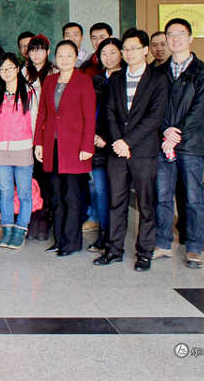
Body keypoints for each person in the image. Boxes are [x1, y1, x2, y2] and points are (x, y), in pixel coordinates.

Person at [94, 29, 167, 272]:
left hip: (143, 151)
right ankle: (114, 249)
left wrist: (128, 142)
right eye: (125, 49)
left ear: (145, 50)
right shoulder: (116, 78)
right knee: (117, 201)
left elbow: (154, 117)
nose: (128, 53)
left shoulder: (158, 79)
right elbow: (109, 112)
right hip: (117, 151)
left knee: (146, 204)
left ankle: (144, 253)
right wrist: (118, 141)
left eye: (134, 48)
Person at [155, 18, 204, 269]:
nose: (175, 38)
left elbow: (200, 110)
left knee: (193, 197)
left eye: (180, 33)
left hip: (191, 144)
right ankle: (162, 243)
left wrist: (176, 134)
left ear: (190, 38)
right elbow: (153, 108)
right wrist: (165, 130)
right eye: (171, 34)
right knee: (162, 195)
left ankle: (194, 247)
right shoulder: (158, 73)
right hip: (163, 143)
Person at [33, 40, 96, 257]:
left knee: (72, 196)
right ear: (55, 57)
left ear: (76, 57)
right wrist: (39, 142)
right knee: (56, 196)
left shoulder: (84, 81)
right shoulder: (50, 81)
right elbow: (43, 113)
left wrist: (87, 145)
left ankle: (72, 242)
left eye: (69, 55)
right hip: (52, 146)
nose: (64, 59)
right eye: (60, 55)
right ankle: (59, 240)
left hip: (75, 148)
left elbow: (90, 116)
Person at [0, 53, 38, 250]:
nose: (6, 72)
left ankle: (21, 229)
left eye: (10, 68)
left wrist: (35, 145)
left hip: (23, 148)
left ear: (17, 69)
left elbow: (35, 120)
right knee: (5, 192)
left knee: (24, 192)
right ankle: (8, 229)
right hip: (0, 150)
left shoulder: (29, 92)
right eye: (2, 69)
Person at [86, 37, 123, 254]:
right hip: (96, 144)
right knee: (100, 190)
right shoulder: (96, 80)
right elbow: (88, 111)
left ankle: (114, 237)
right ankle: (103, 233)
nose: (108, 58)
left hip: (118, 144)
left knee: (117, 193)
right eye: (104, 54)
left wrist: (108, 139)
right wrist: (92, 135)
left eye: (112, 52)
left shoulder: (126, 79)